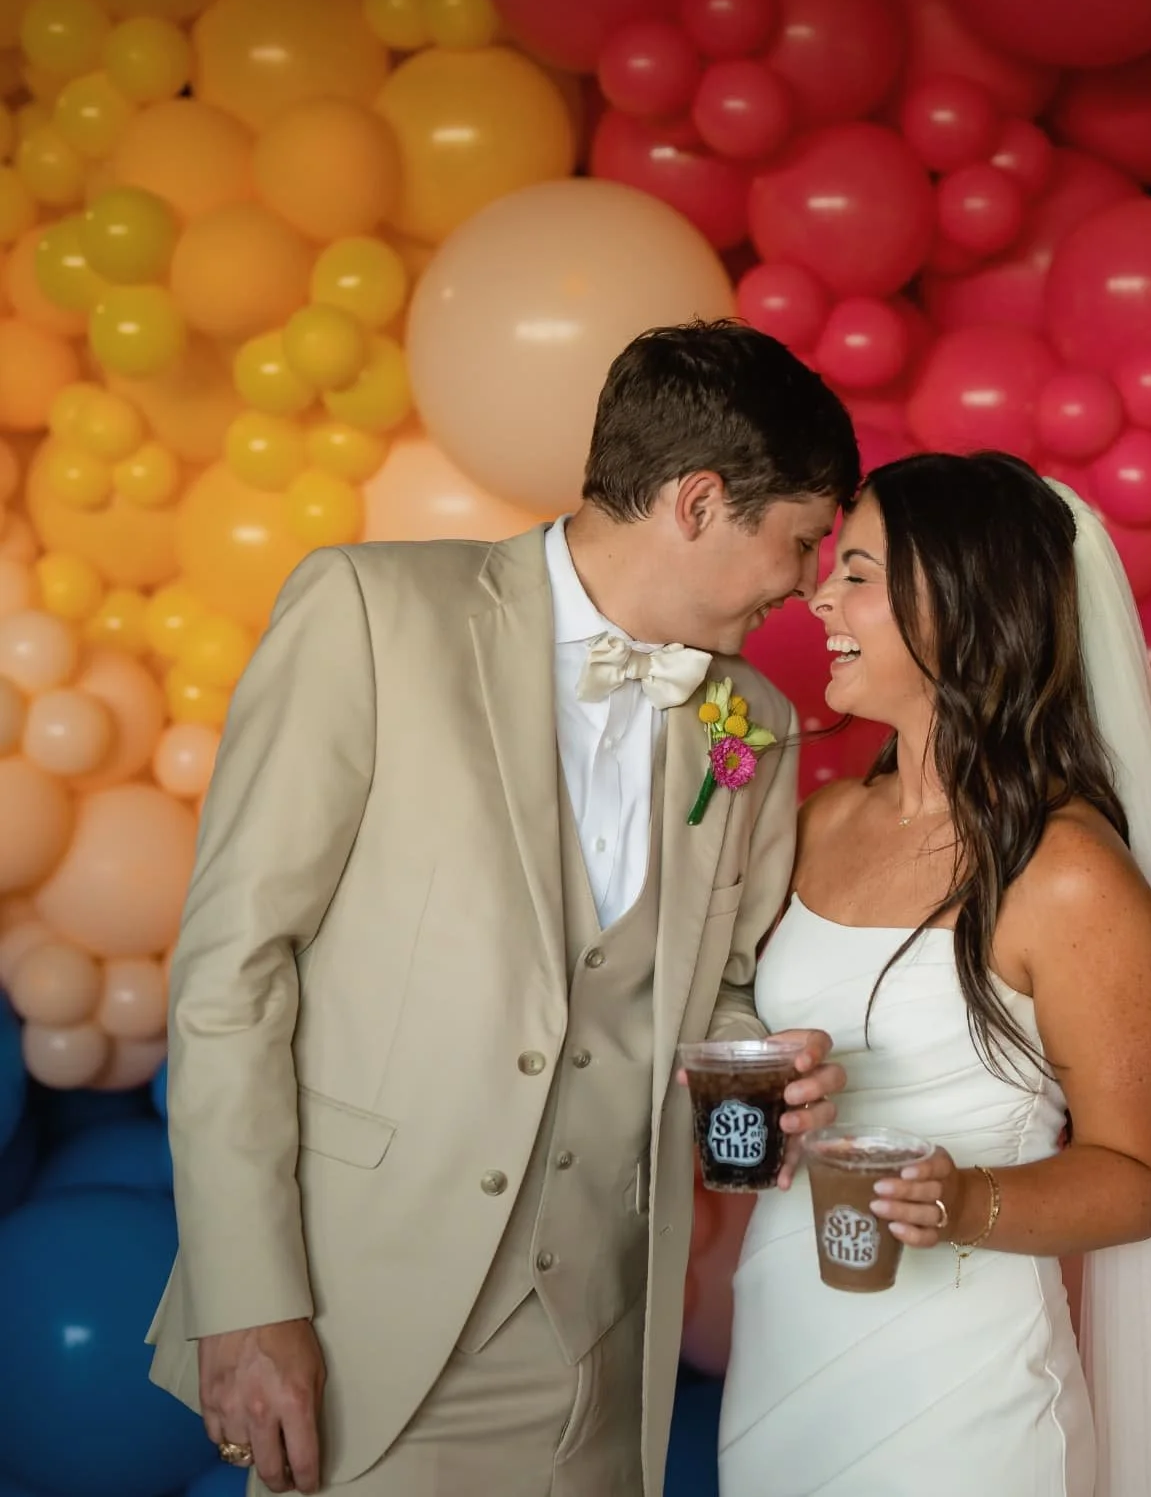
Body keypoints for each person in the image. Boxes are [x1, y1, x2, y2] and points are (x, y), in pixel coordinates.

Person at [146, 320, 862, 1497]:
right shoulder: (370, 613)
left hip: (605, 1339)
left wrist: (766, 1065)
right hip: (363, 1321)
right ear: (696, 502)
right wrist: (249, 1295)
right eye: (797, 540)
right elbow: (235, 966)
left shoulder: (751, 725)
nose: (803, 583)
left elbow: (718, 981)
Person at [719, 452, 1151, 1497]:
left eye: (860, 574)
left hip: (961, 1401)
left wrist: (964, 1201)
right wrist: (753, 1101)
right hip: (781, 1353)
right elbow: (735, 1040)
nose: (819, 597)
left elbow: (1140, 1177)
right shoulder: (821, 823)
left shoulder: (1069, 878)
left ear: (961, 606)